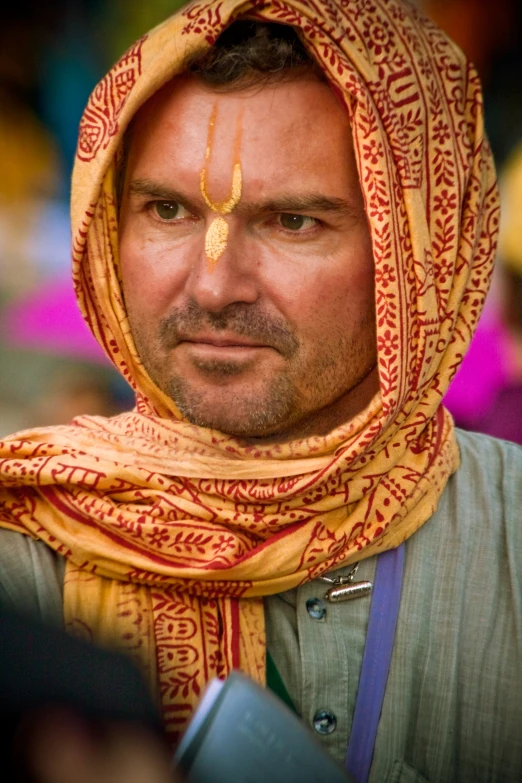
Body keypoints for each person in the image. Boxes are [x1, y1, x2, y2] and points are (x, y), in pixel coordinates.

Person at [0, 1, 521, 781]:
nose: (213, 287)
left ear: (420, 255)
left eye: (292, 222)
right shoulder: (22, 544)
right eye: (167, 210)